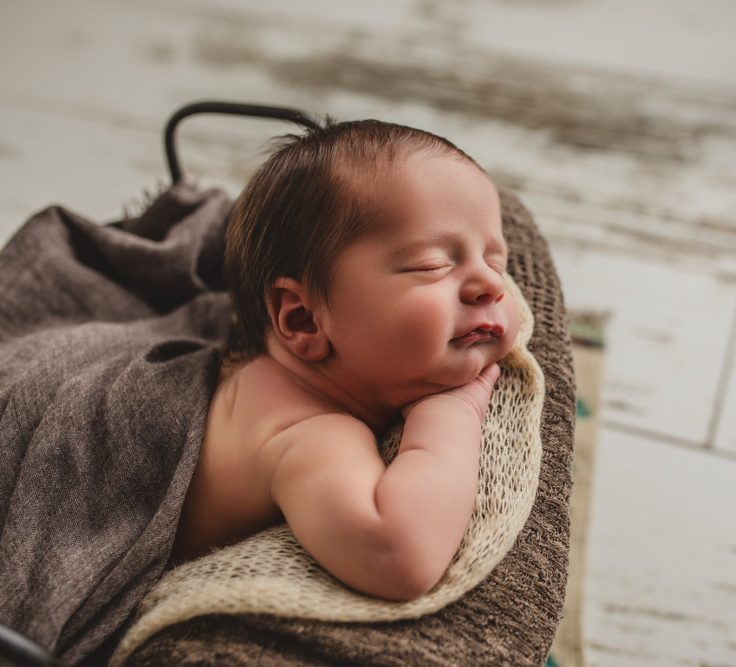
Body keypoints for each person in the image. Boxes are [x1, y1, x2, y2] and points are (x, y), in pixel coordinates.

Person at [168, 120, 521, 602]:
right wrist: (451, 415)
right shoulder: (304, 430)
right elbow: (398, 554)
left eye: (496, 262)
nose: (492, 285)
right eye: (433, 265)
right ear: (304, 320)